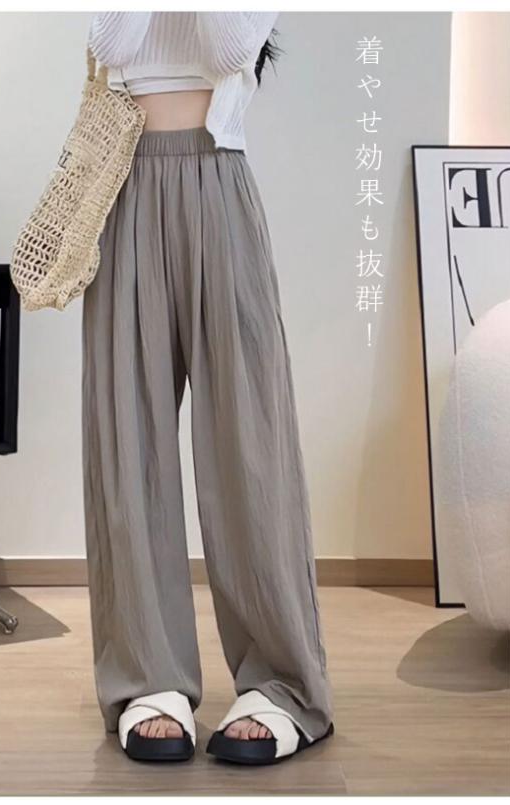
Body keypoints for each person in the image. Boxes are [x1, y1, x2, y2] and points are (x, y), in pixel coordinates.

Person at [82, 11, 334, 766]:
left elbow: (229, 48)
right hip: (123, 187)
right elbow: (109, 45)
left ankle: (282, 683)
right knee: (129, 438)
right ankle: (148, 678)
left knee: (248, 443)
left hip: (218, 184)